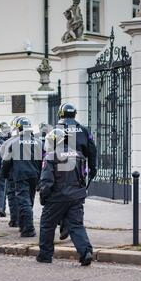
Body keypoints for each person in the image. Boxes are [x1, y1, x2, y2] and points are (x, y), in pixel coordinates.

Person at [37, 129, 93, 266]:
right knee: (76, 225)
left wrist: (43, 197)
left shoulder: (50, 157)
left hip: (57, 197)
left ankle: (45, 255)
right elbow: (83, 176)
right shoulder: (78, 155)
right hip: (76, 196)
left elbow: (46, 181)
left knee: (47, 225)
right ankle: (86, 252)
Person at [57, 103, 97, 240]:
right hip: (79, 169)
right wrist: (93, 167)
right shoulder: (84, 130)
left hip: (60, 168)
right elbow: (92, 150)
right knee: (77, 198)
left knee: (60, 196)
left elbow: (48, 150)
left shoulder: (57, 129)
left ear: (61, 114)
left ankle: (64, 224)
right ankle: (73, 223)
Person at [2, 117, 42, 237]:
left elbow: (6, 161)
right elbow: (43, 160)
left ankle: (28, 229)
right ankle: (23, 226)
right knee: (29, 200)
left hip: (20, 175)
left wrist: (4, 174)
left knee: (24, 202)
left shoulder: (13, 143)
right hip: (34, 175)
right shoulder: (39, 142)